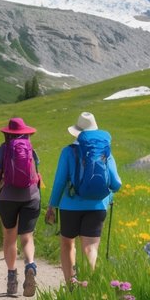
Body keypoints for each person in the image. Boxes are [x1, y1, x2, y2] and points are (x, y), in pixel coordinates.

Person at [45, 111, 121, 285]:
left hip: (70, 206)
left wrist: (52, 206)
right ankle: (91, 285)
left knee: (67, 244)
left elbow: (59, 182)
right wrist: (107, 195)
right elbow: (116, 183)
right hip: (98, 206)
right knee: (90, 248)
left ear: (77, 132)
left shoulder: (68, 151)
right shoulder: (105, 153)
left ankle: (71, 285)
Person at [0, 117, 43, 296]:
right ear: (25, 132)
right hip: (31, 197)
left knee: (9, 237)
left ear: (7, 133)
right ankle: (30, 265)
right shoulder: (31, 149)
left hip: (8, 197)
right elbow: (36, 175)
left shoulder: (3, 149)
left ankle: (12, 278)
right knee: (27, 237)